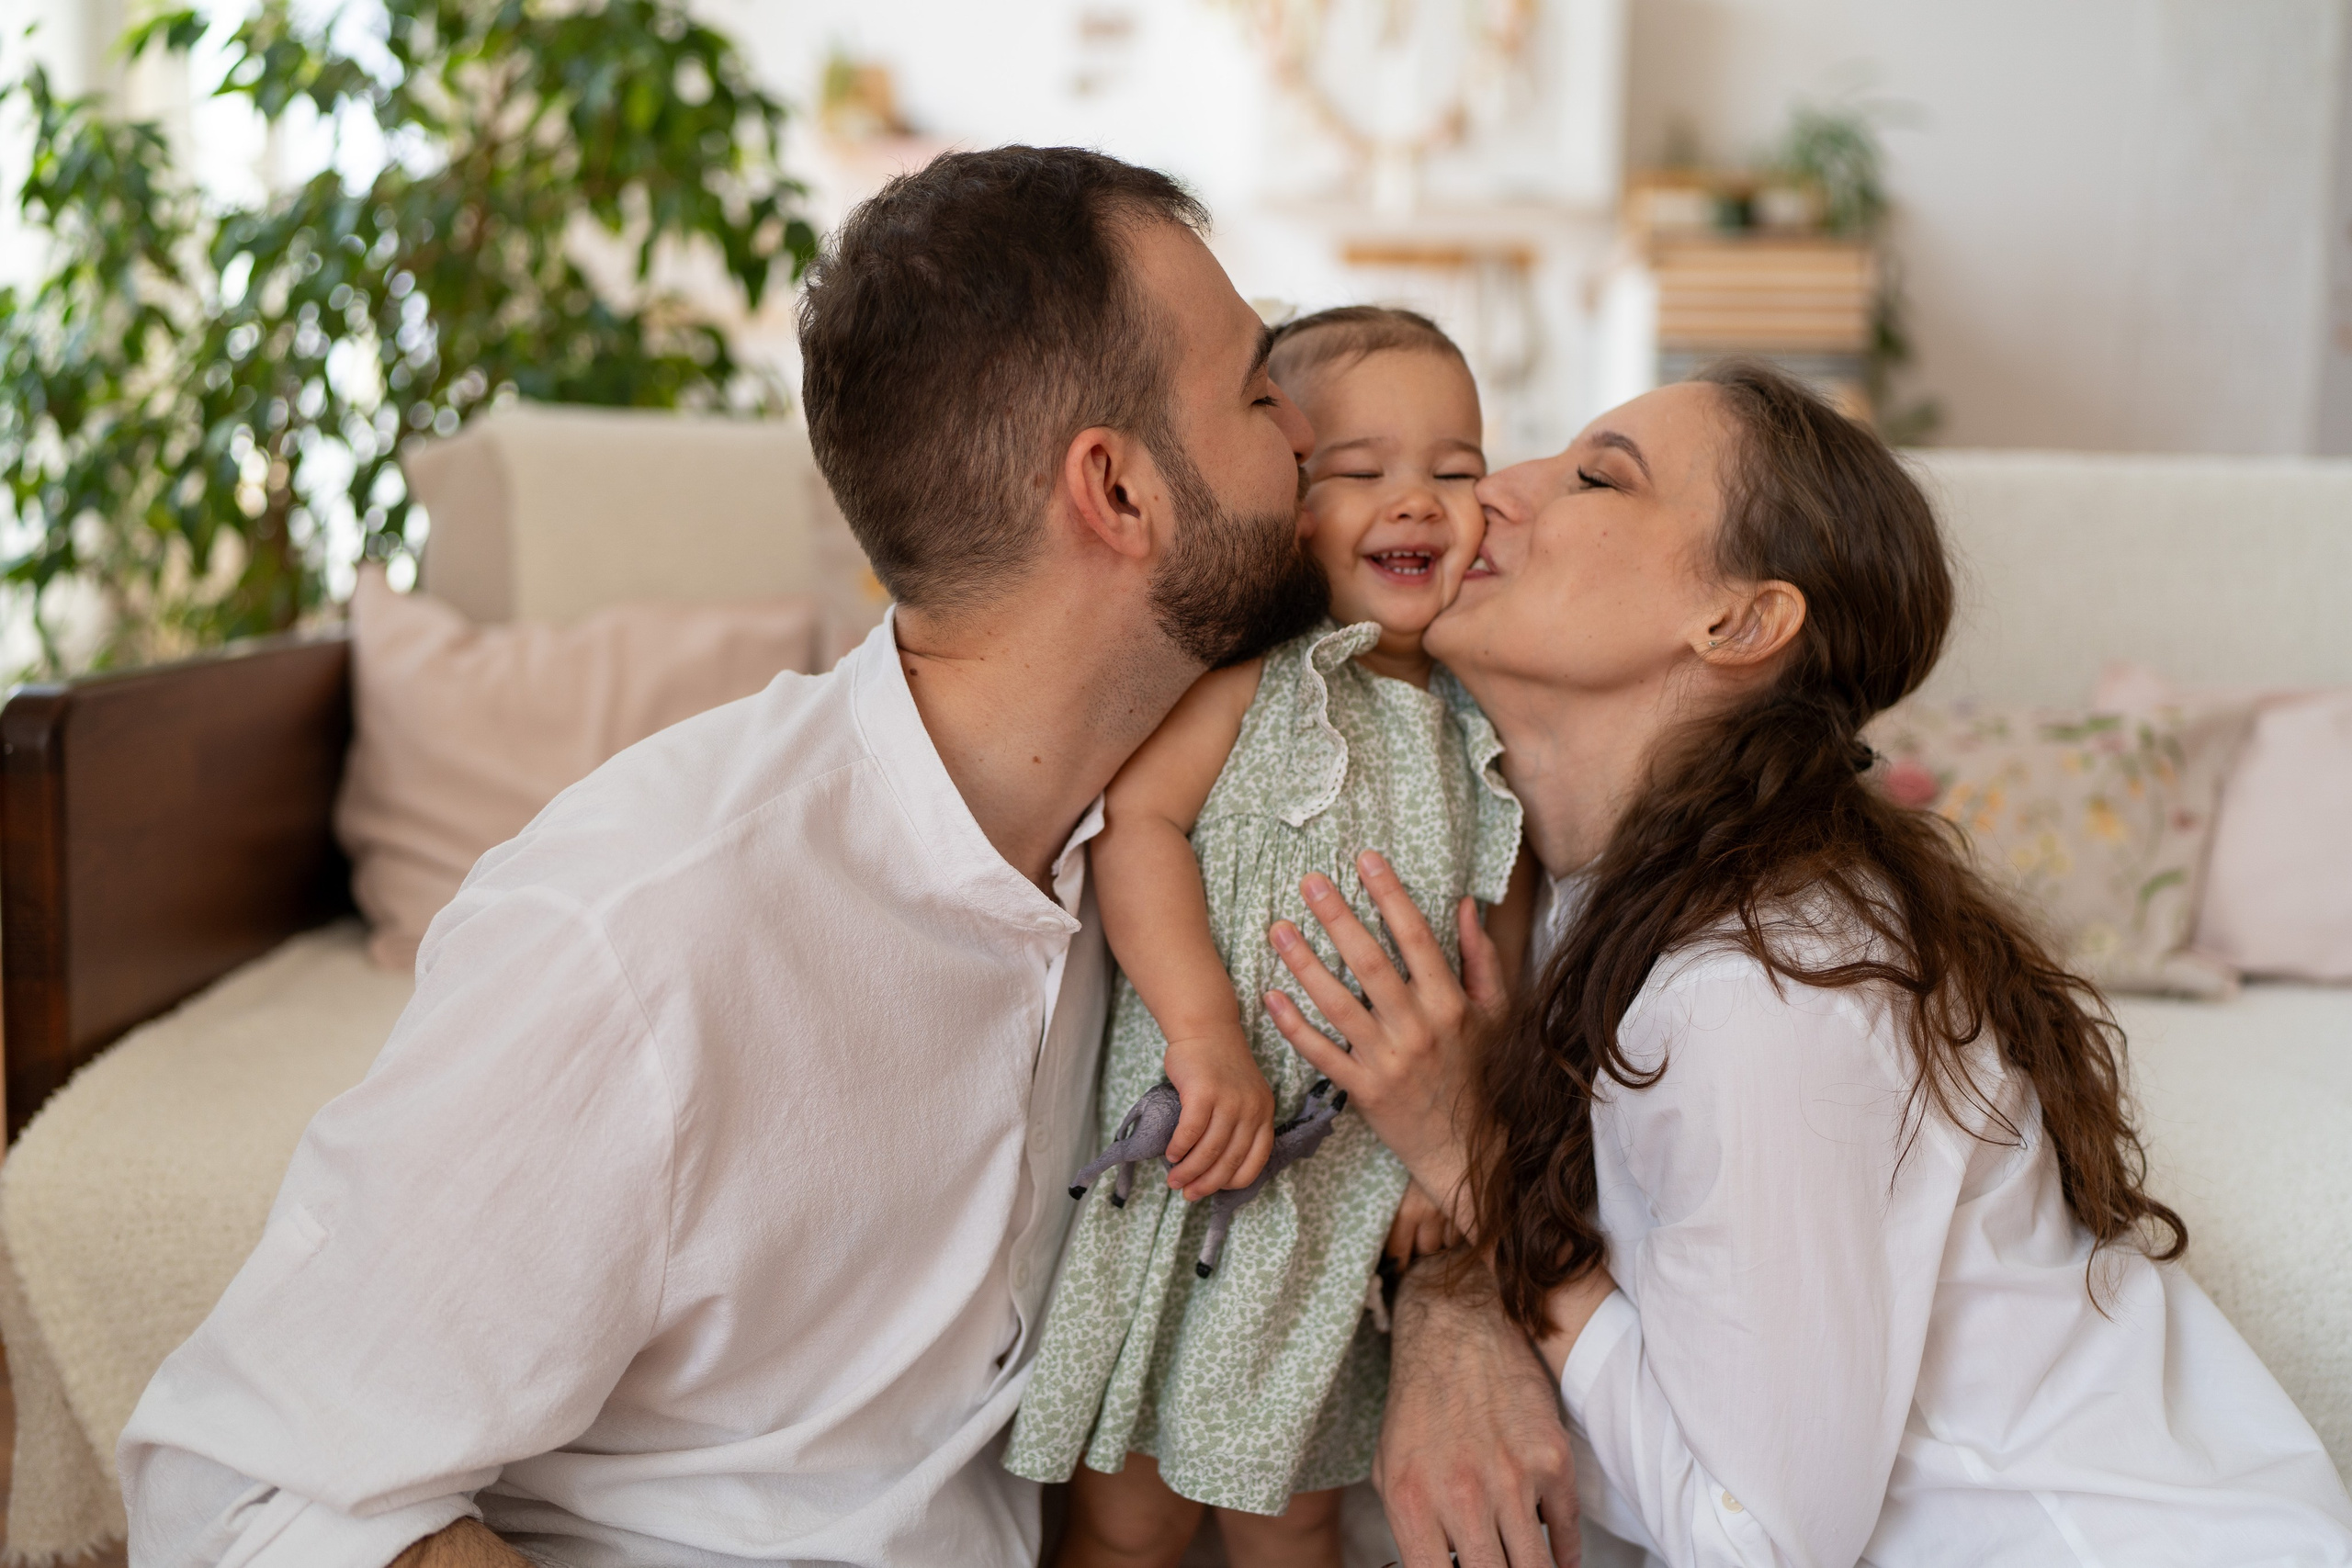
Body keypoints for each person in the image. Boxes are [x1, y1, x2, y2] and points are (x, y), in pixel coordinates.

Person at [117, 146, 1359, 1568]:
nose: (1311, 439)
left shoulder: (1191, 832)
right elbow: (243, 1497)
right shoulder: (644, 931)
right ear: (1119, 494)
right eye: (1263, 392)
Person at [1261, 361, 2352, 1566]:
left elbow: (1759, 1546)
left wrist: (1472, 1169)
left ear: (1739, 621)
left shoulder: (1765, 990)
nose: (1499, 490)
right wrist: (1455, 1294)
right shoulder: (1582, 891)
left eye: (1594, 478)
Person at [1003, 307, 1528, 1568]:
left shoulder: (1477, 724)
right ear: (1288, 497)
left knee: (1296, 1515)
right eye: (1363, 472)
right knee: (1130, 1519)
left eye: (1457, 472)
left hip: (1347, 1202)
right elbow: (1138, 829)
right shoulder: (1261, 676)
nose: (1418, 502)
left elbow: (1491, 955)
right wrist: (1202, 1034)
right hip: (1205, 1153)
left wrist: (1432, 1165)